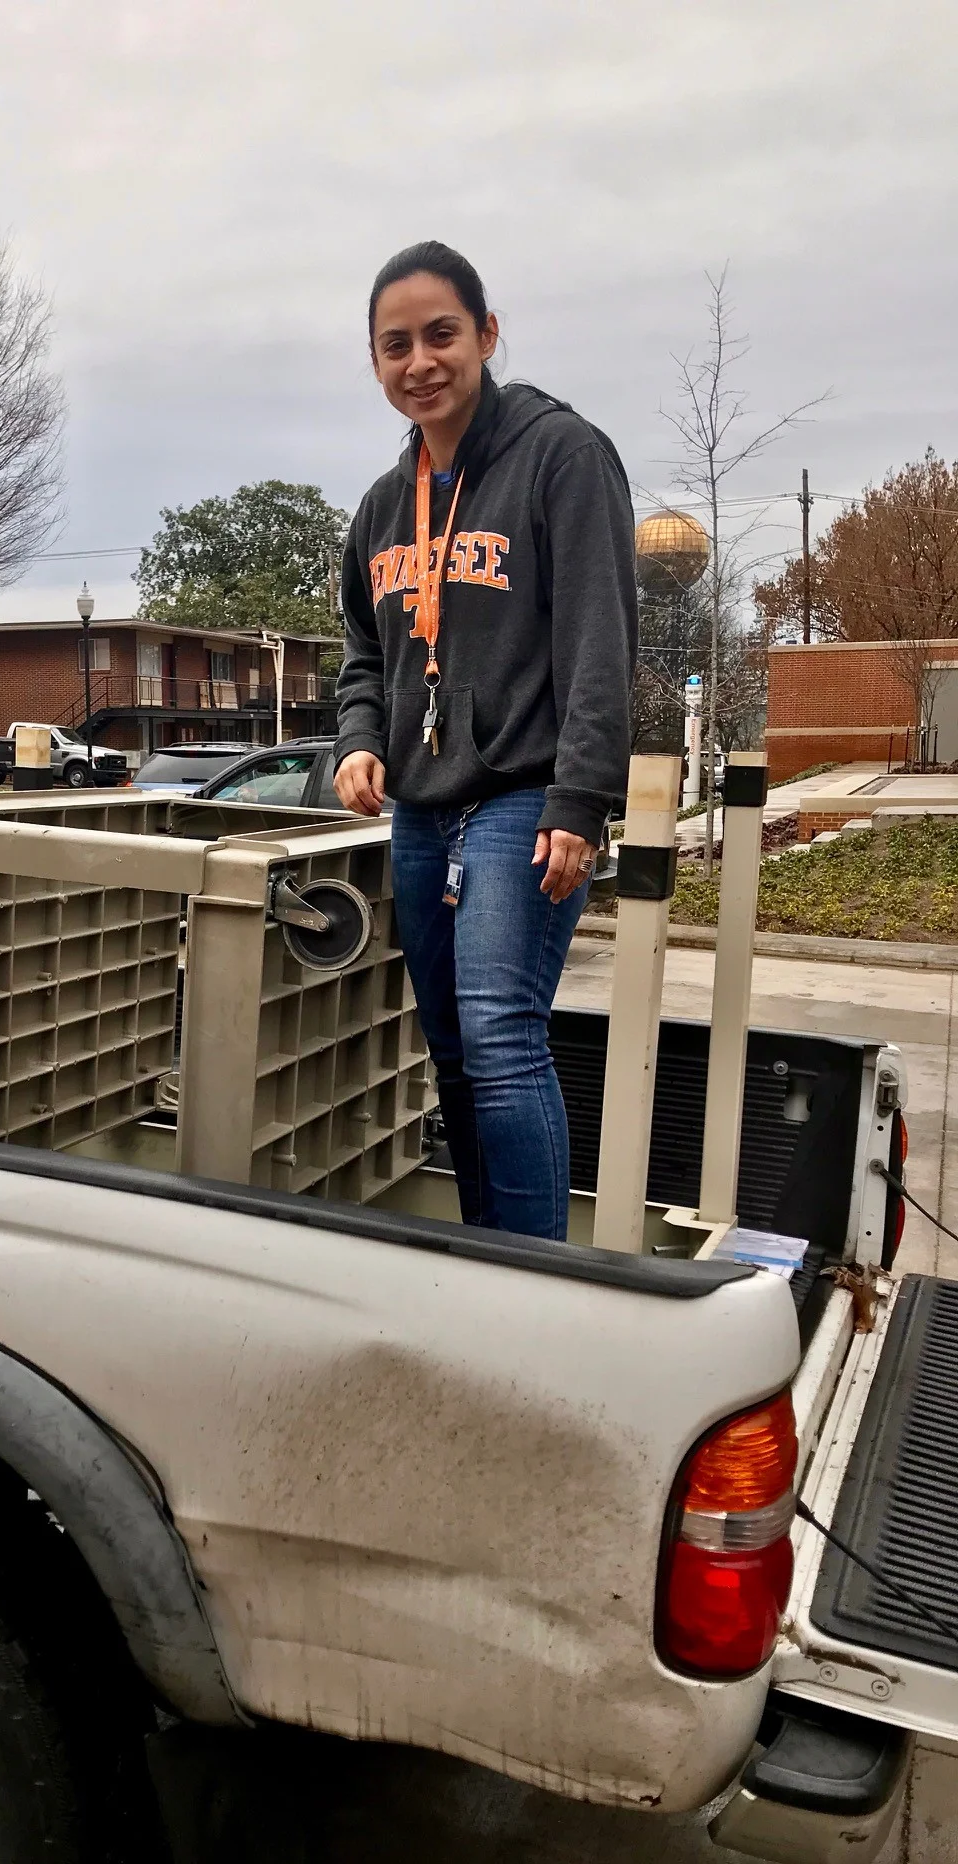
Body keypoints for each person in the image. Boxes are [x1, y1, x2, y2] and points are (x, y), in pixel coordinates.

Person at [333, 242, 635, 1240]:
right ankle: (485, 1258)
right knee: (454, 1047)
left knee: (504, 1037)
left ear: (487, 335)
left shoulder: (563, 456)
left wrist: (580, 801)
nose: (419, 361)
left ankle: (539, 1283)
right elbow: (362, 653)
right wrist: (358, 740)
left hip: (522, 795)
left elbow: (599, 639)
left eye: (441, 335)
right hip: (420, 810)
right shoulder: (382, 507)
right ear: (375, 363)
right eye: (395, 345)